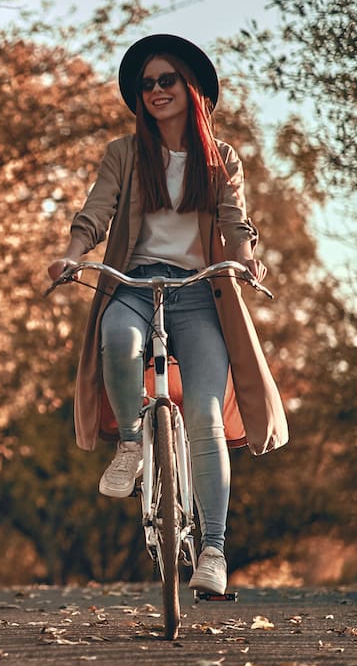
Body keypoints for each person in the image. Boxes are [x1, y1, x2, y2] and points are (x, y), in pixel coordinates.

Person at [46, 34, 288, 595]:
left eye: (166, 80)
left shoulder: (221, 158)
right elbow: (96, 211)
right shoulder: (124, 154)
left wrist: (248, 261)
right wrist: (74, 253)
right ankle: (132, 443)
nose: (155, 91)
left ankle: (213, 551)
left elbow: (236, 223)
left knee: (204, 414)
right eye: (146, 84)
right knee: (119, 341)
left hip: (202, 293)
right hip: (136, 281)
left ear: (191, 88)